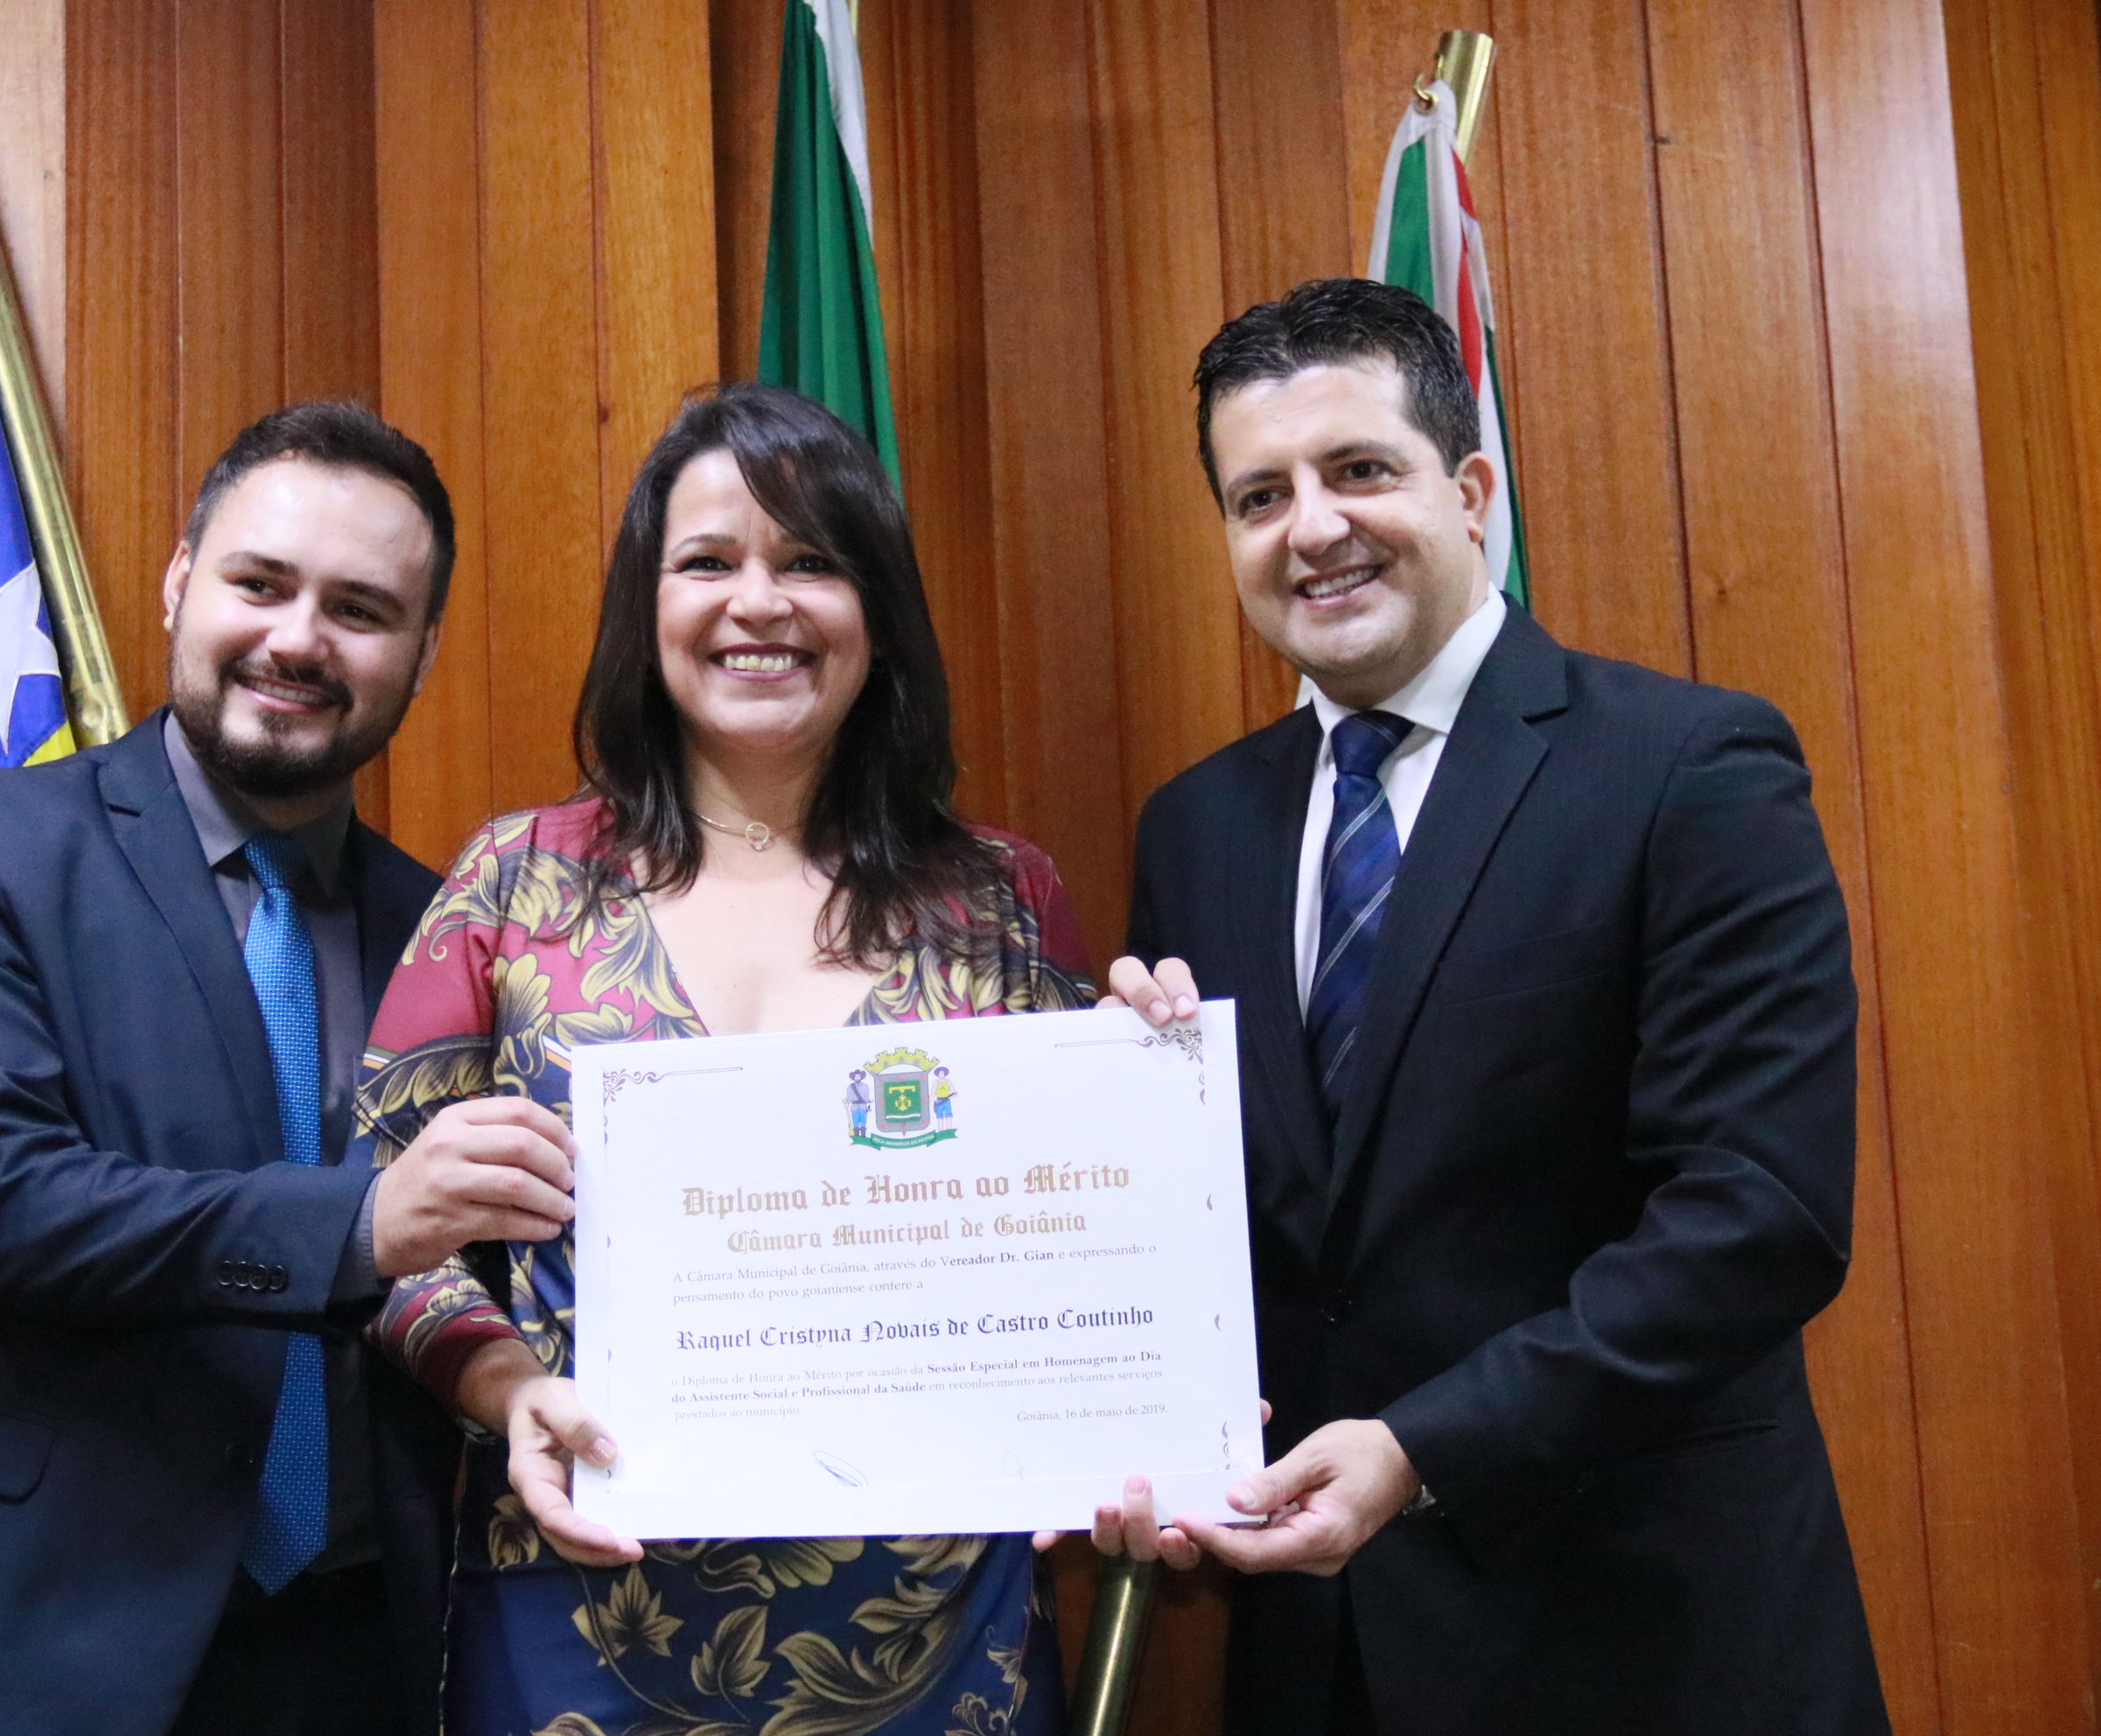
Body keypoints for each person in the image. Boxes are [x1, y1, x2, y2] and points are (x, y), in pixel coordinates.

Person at [1101, 281, 1887, 1733]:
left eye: (1358, 469)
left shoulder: (1688, 768)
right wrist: (1134, 1122)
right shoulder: (1197, 829)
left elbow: (1760, 1214)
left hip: (1642, 1642)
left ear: (1469, 493)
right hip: (1326, 1663)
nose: (1312, 528)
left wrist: (1421, 1449)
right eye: (1260, 496)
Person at [0, 402, 581, 1736]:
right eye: (260, 584)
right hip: (15, 1641)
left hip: (355, 1657)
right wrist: (358, 1225)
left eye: (360, 610)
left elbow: (487, 1268)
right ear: (178, 582)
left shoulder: (451, 930)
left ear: (424, 652)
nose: (299, 640)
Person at [353, 383, 1092, 1736]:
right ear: (649, 611)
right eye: (707, 562)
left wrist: (1156, 1060)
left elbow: (1094, 1237)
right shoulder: (513, 885)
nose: (760, 602)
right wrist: (509, 1390)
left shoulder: (1005, 902)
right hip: (582, 1612)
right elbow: (383, 1233)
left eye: (811, 560)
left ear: (879, 613)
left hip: (937, 1641)